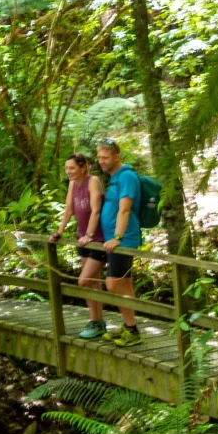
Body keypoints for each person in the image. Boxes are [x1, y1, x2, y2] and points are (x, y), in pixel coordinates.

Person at [49, 153, 109, 339]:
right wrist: (59, 231)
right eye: (67, 168)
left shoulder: (93, 181)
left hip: (98, 239)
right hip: (82, 238)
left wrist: (90, 235)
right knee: (92, 282)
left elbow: (96, 209)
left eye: (72, 168)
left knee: (83, 281)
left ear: (83, 167)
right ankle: (97, 322)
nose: (68, 172)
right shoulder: (72, 184)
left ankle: (97, 321)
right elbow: (68, 210)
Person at [97, 139, 143, 347]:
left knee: (113, 284)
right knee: (125, 284)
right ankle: (129, 327)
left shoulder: (127, 176)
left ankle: (132, 328)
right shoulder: (114, 177)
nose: (101, 161)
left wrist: (116, 238)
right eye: (99, 157)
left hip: (123, 241)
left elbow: (125, 209)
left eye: (105, 157)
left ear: (117, 156)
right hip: (114, 241)